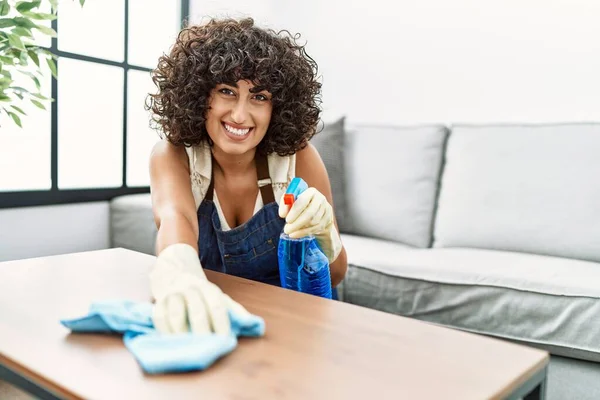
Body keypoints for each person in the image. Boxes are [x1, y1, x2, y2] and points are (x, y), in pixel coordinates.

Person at [146, 17, 348, 336]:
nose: (240, 115)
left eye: (259, 97)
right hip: (219, 317)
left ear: (277, 106)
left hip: (295, 325)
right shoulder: (173, 156)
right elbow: (175, 219)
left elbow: (336, 275)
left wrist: (326, 235)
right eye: (227, 91)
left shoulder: (299, 156)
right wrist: (179, 272)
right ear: (201, 96)